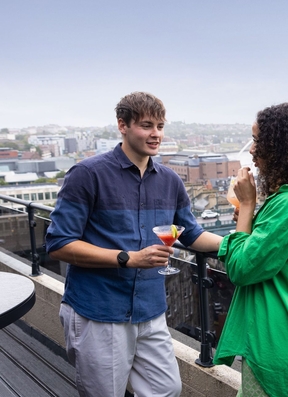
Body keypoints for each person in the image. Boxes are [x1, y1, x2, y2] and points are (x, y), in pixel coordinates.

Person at [46, 91, 223, 396]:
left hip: (150, 309)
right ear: (122, 125)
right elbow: (59, 243)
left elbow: (191, 234)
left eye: (160, 126)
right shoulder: (88, 175)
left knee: (166, 389)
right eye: (146, 125)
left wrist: (242, 245)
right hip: (99, 310)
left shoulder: (170, 181)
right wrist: (128, 258)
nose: (156, 134)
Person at [213, 102, 288, 397]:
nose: (252, 149)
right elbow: (281, 255)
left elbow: (241, 269)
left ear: (279, 146)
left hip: (275, 342)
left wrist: (246, 206)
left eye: (257, 140)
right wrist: (253, 221)